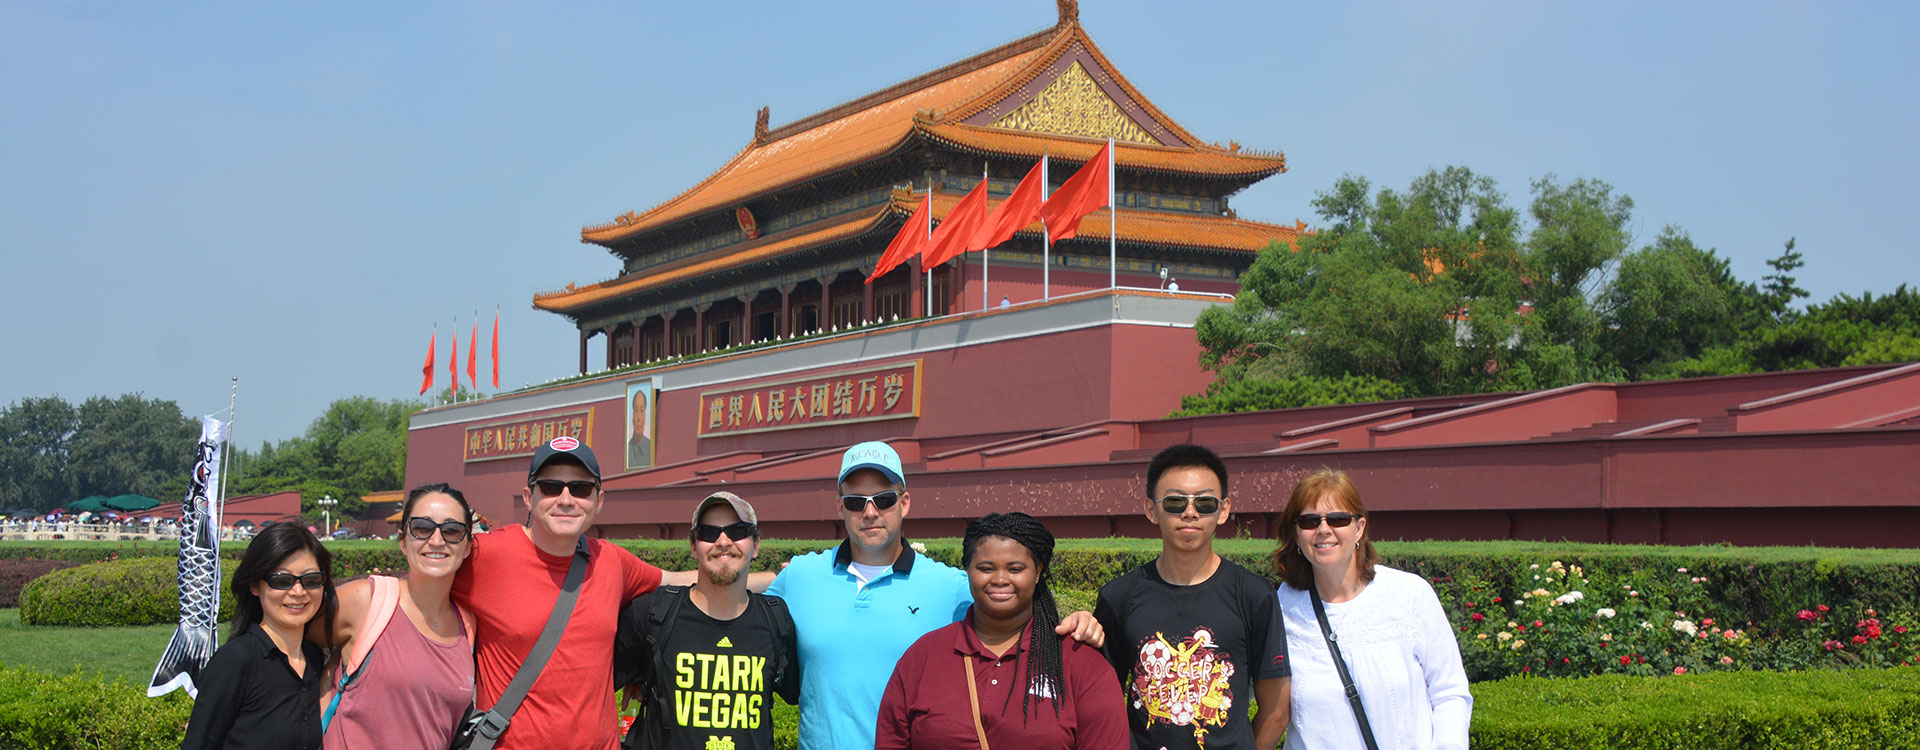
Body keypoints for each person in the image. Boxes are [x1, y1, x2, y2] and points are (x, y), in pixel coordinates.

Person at [767, 441, 1105, 750]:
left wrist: (1078, 621)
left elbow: (1017, 611)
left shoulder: (951, 586)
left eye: (883, 500)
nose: (870, 513)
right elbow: (736, 608)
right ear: (840, 507)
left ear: (905, 502)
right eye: (856, 502)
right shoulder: (800, 576)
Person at [452, 436, 731, 750]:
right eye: (551, 487)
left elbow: (677, 581)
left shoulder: (611, 561)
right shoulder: (484, 556)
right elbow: (418, 593)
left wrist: (776, 577)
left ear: (598, 500)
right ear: (529, 497)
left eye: (581, 489)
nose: (567, 499)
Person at [1093, 443, 1290, 750]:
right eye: (1174, 502)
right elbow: (1100, 703)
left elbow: (1276, 708)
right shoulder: (1118, 596)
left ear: (1223, 510)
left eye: (1205, 503)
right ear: (1151, 509)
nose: (1189, 512)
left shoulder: (1254, 595)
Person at [876, 513, 1126, 749]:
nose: (999, 579)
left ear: (1038, 572)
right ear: (967, 570)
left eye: (1015, 569)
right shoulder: (923, 657)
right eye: (985, 568)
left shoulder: (1080, 662)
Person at [1271, 469, 1470, 750]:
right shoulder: (1280, 607)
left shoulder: (1409, 594)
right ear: (1296, 532)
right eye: (1309, 521)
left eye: (1338, 519)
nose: (1324, 529)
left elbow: (1450, 692)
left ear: (1359, 527)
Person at [615, 491, 799, 750]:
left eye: (737, 531)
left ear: (755, 545)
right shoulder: (653, 614)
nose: (723, 541)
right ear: (693, 546)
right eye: (709, 533)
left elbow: (804, 695)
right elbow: (588, 690)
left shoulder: (777, 620)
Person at [317, 483, 476, 749]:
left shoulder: (468, 625)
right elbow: (292, 648)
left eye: (452, 531)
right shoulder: (366, 600)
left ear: (468, 545)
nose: (436, 541)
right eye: (422, 528)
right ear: (403, 541)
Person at [182, 523, 337, 750]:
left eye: (311, 580)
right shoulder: (236, 661)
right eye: (282, 580)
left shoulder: (313, 658)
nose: (298, 591)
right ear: (255, 585)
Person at [628, 388, 653, 470]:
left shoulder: (651, 447)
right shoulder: (627, 450)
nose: (639, 418)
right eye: (636, 411)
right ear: (632, 417)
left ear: (645, 416)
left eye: (642, 411)